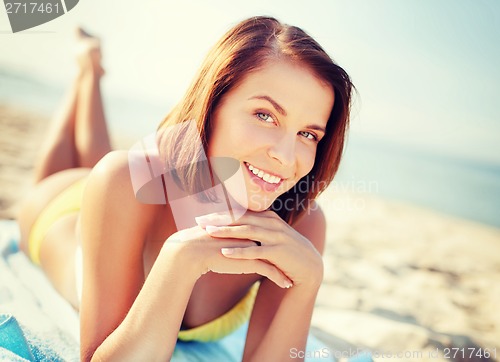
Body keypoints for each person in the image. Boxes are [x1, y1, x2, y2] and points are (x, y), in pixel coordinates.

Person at [17, 16, 353, 361]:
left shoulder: (301, 224)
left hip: (136, 187)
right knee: (93, 170)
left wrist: (307, 283)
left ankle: (90, 69)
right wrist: (177, 265)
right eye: (265, 116)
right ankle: (87, 71)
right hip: (58, 210)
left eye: (308, 134)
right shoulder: (121, 180)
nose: (284, 157)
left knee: (110, 165)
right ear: (213, 103)